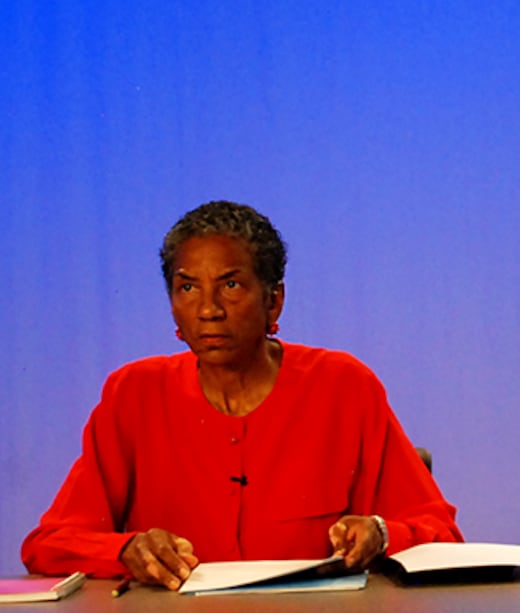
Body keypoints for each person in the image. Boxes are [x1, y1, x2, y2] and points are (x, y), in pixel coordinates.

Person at [22, 201, 463, 589]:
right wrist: (127, 551)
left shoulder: (344, 386)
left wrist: (381, 534)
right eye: (188, 287)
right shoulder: (133, 394)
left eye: (230, 285)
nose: (209, 310)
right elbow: (49, 544)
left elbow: (440, 531)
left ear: (273, 302)